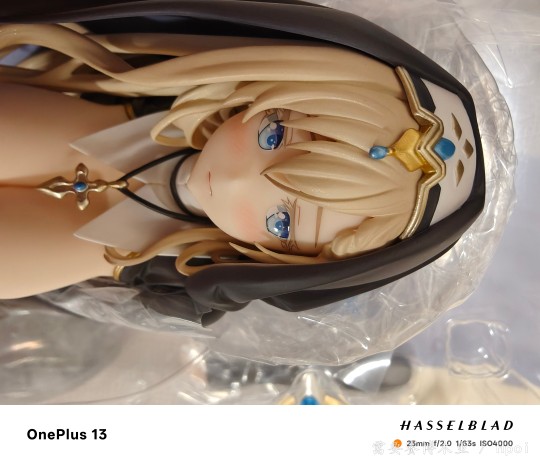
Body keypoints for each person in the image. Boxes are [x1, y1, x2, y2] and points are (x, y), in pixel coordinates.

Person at [0, 0, 484, 325]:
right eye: (273, 134)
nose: (233, 181)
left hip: (120, 246)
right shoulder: (142, 95)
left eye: (281, 221)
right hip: (110, 125)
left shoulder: (167, 267)